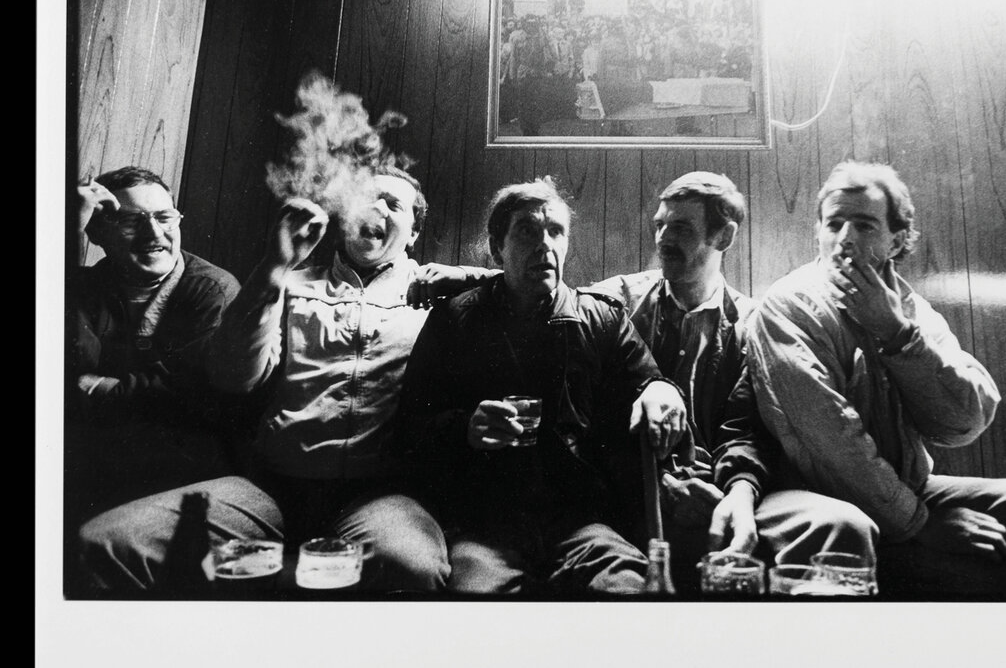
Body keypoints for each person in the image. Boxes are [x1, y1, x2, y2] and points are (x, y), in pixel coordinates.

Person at [78, 165, 453, 594]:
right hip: (271, 489)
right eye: (364, 197)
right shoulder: (289, 283)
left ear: (413, 233)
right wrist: (275, 265)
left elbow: (519, 288)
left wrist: (468, 277)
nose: (375, 207)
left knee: (413, 566)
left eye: (393, 203)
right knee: (107, 543)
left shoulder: (440, 297)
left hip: (374, 495)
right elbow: (236, 377)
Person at [744, 163, 1006, 601]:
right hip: (812, 492)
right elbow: (831, 442)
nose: (845, 238)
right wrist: (921, 525)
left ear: (896, 240)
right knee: (848, 526)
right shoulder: (788, 307)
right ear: (817, 231)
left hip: (908, 490)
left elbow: (963, 421)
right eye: (834, 223)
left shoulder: (910, 309)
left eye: (863, 224)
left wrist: (898, 335)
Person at [394, 178, 688, 594]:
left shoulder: (600, 319)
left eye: (556, 232)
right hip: (486, 527)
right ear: (497, 248)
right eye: (528, 231)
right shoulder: (454, 320)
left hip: (581, 525)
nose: (545, 244)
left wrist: (662, 388)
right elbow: (409, 429)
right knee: (478, 605)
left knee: (628, 591)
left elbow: (648, 380)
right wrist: (465, 429)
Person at [578, 171, 851, 592]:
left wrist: (735, 493)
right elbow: (545, 291)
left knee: (837, 526)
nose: (663, 238)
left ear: (724, 237)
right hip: (634, 495)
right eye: (660, 225)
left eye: (681, 228)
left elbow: (752, 431)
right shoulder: (618, 303)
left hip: (732, 492)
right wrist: (469, 277)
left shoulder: (757, 325)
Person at [68, 169, 241, 519]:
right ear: (97, 232)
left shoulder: (213, 291)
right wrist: (71, 223)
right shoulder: (84, 285)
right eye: (132, 221)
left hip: (179, 476)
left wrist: (96, 390)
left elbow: (185, 397)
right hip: (96, 468)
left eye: (165, 217)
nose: (154, 233)